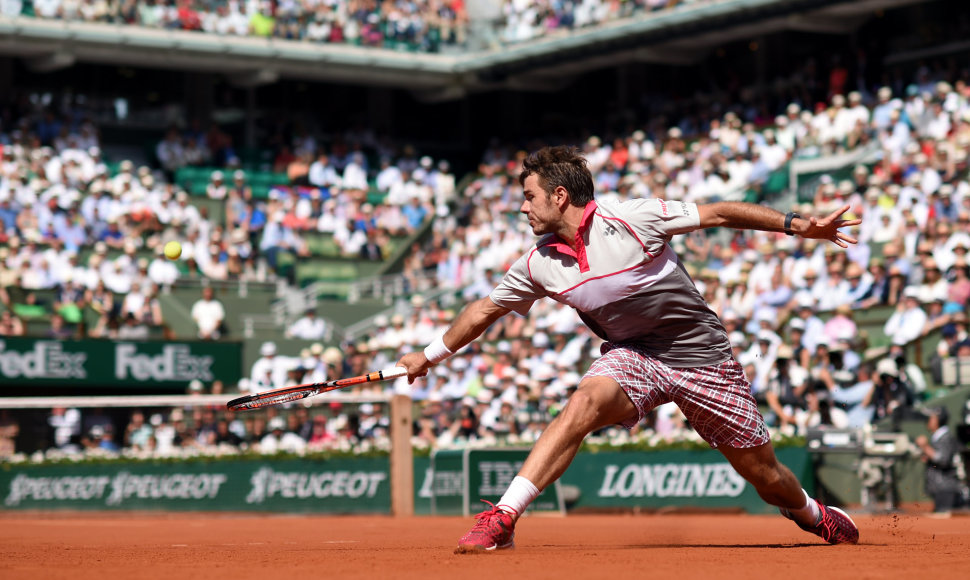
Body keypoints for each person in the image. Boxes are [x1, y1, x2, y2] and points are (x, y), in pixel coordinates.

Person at [397, 146, 861, 553]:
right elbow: (482, 310)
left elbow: (719, 212)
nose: (523, 208)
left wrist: (800, 225)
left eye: (529, 196)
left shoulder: (634, 218)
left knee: (766, 476)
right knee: (584, 402)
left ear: (560, 196)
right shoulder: (539, 263)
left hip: (700, 354)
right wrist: (428, 355)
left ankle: (811, 514)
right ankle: (503, 516)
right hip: (633, 355)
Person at [914, 406, 968, 515]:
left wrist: (925, 447)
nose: (927, 420)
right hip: (940, 489)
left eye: (930, 417)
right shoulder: (938, 437)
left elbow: (942, 459)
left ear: (937, 419)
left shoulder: (945, 437)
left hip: (947, 489)